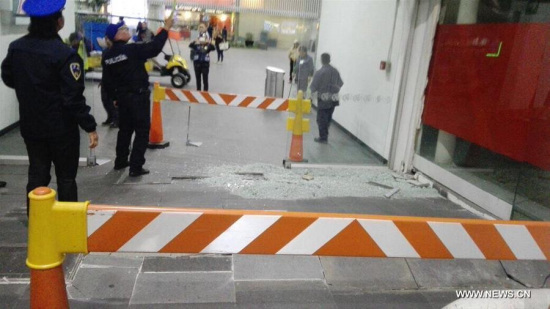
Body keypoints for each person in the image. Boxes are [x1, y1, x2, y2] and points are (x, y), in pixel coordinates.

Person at [1, 0, 98, 214]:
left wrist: (30, 88)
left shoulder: (16, 48)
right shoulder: (65, 54)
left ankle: (37, 221)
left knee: (37, 174)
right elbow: (73, 98)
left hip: (31, 126)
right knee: (65, 178)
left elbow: (8, 77)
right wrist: (89, 126)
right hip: (61, 129)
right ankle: (66, 225)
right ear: (58, 21)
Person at [101, 15, 173, 177]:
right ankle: (136, 166)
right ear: (116, 36)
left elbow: (107, 81)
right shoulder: (131, 50)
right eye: (123, 29)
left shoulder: (107, 56)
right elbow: (154, 48)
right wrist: (166, 28)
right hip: (138, 97)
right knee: (141, 131)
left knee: (125, 130)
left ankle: (120, 161)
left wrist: (115, 98)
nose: (127, 30)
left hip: (123, 99)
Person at [309, 53, 344, 144]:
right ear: (329, 60)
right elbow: (340, 83)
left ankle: (323, 137)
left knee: (321, 118)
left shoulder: (320, 72)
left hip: (324, 99)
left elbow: (313, 87)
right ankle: (325, 134)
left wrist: (309, 96)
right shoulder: (335, 71)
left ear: (321, 60)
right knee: (328, 117)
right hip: (334, 98)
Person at [189, 23, 216, 91]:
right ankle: (198, 92)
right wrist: (195, 42)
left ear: (205, 29)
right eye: (200, 27)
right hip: (197, 63)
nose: (201, 28)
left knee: (205, 79)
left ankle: (205, 93)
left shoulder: (207, 40)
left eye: (202, 27)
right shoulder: (197, 39)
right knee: (198, 79)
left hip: (205, 63)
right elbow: (190, 45)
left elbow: (213, 48)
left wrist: (208, 42)